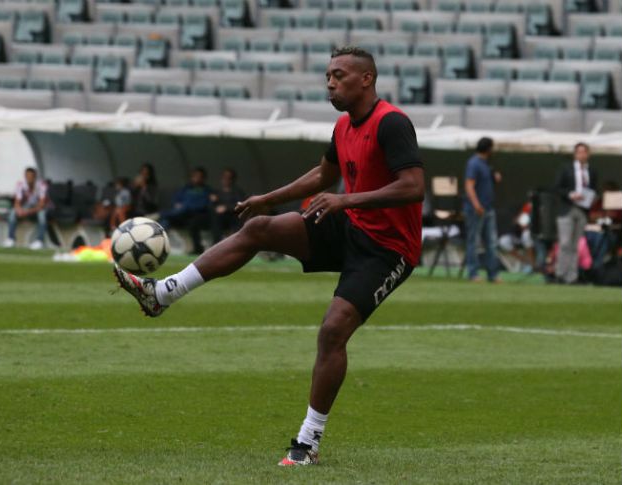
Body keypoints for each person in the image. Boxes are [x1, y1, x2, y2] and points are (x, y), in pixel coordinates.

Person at [112, 46, 424, 467]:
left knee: (333, 331)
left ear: (366, 79)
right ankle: (162, 293)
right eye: (328, 76)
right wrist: (268, 199)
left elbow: (412, 187)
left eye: (339, 75)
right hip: (349, 225)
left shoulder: (392, 123)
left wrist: (345, 200)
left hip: (387, 249)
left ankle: (307, 443)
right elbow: (324, 175)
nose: (330, 83)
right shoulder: (344, 126)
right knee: (259, 227)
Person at [554, 142, 599, 284]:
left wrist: (591, 198)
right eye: (579, 152)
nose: (581, 155)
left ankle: (571, 276)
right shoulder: (566, 169)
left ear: (588, 154)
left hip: (582, 209)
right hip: (567, 208)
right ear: (575, 154)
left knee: (576, 244)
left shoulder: (591, 171)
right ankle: (560, 273)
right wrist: (570, 194)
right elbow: (557, 188)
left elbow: (594, 189)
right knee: (565, 243)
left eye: (584, 152)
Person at [463, 137, 503, 283]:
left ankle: (493, 274)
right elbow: (469, 185)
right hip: (477, 209)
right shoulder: (474, 163)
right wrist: (476, 205)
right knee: (474, 242)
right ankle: (473, 273)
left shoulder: (486, 164)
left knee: (491, 242)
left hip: (489, 208)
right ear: (488, 148)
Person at [158, 167, 213, 255]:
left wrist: (185, 206)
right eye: (195, 176)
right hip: (181, 215)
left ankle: (159, 215)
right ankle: (159, 242)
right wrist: (177, 204)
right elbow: (176, 200)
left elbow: (204, 204)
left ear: (203, 178)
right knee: (166, 220)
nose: (196, 179)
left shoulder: (207, 190)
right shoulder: (186, 188)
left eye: (199, 177)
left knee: (168, 215)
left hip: (197, 214)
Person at [3, 167, 50, 250]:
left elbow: (42, 204)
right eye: (27, 176)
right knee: (13, 213)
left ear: (35, 177)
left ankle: (40, 241)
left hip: (39, 207)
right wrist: (19, 210)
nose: (29, 179)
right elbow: (17, 202)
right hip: (26, 206)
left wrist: (27, 212)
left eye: (31, 176)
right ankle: (10, 239)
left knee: (42, 215)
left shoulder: (42, 185)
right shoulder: (20, 184)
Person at [209, 168, 246, 244]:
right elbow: (211, 207)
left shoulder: (237, 192)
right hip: (220, 217)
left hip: (234, 216)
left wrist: (226, 208)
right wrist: (213, 202)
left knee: (238, 221)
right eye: (224, 177)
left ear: (233, 179)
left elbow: (240, 205)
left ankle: (235, 242)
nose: (226, 180)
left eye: (229, 178)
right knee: (214, 219)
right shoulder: (217, 192)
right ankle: (216, 243)